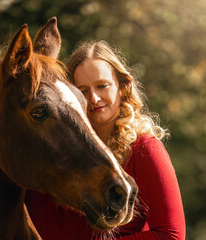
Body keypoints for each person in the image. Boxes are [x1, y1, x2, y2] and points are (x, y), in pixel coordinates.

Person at [25, 40, 185, 240]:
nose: (94, 98)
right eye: (82, 90)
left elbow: (171, 235)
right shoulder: (58, 149)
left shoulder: (144, 148)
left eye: (102, 86)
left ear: (122, 88)